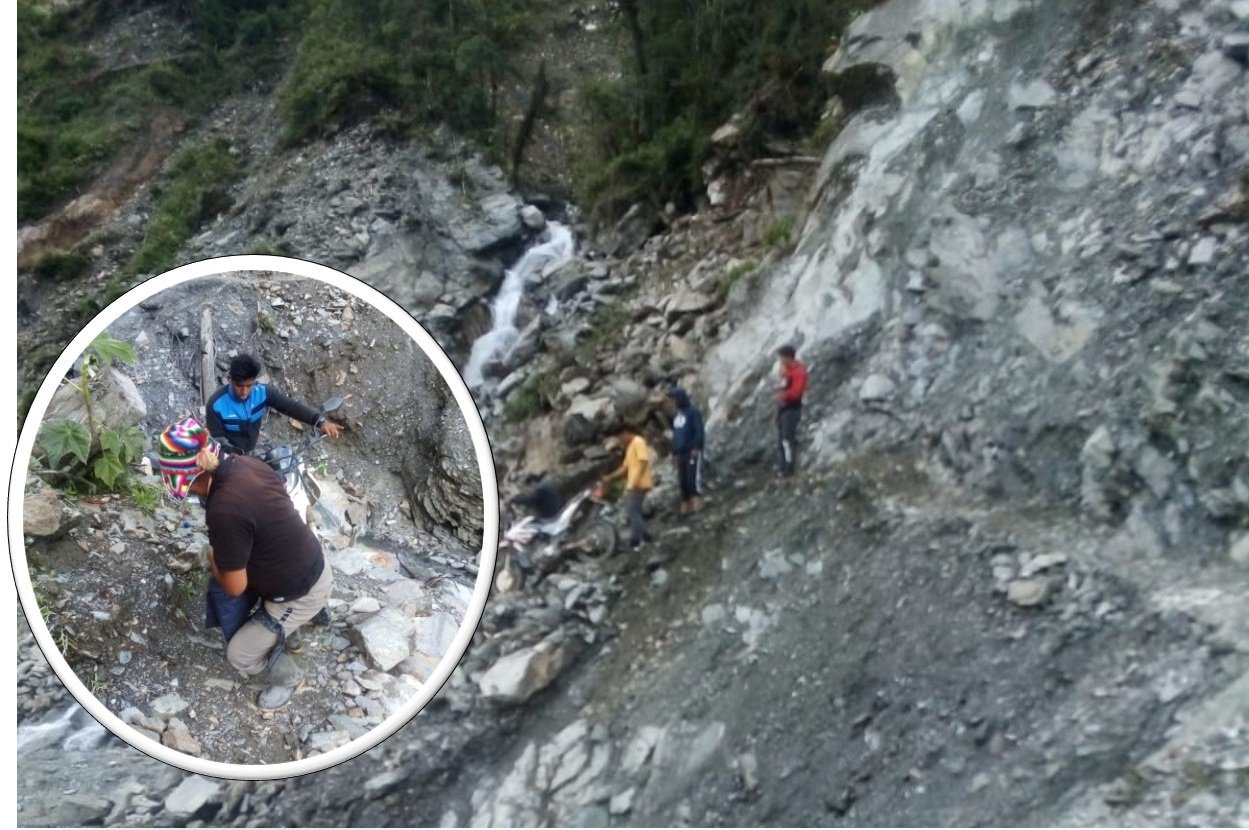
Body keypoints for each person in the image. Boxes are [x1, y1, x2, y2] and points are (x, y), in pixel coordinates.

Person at [157, 416, 333, 712]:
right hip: (309, 564)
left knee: (239, 655)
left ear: (194, 474)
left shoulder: (225, 509)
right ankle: (289, 632)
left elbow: (235, 587)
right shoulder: (245, 464)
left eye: (184, 485)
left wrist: (213, 559)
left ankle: (290, 678)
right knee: (250, 571)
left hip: (301, 590)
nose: (187, 492)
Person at [205, 353, 341, 455]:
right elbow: (218, 441)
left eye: (249, 385)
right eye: (239, 386)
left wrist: (320, 421)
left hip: (251, 452)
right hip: (229, 458)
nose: (244, 391)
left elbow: (291, 407)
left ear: (254, 381)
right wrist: (238, 459)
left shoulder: (263, 393)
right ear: (230, 379)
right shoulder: (216, 405)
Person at [600, 426, 654, 551]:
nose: (619, 441)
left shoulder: (638, 441)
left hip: (639, 483)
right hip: (634, 484)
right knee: (635, 511)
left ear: (625, 433)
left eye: (619, 438)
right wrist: (609, 477)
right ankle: (646, 536)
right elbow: (624, 468)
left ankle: (636, 541)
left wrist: (634, 481)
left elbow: (643, 462)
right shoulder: (630, 447)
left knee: (632, 511)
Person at [667, 385, 705, 517]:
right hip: (681, 453)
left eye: (673, 399)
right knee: (683, 481)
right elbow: (676, 436)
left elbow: (699, 431)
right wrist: (673, 453)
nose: (671, 402)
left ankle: (697, 509)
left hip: (691, 451)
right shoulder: (677, 416)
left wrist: (696, 447)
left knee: (692, 480)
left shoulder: (693, 413)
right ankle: (685, 510)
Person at [775, 344, 808, 478]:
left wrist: (784, 395)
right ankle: (782, 466)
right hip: (783, 408)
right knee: (782, 440)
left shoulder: (799, 372)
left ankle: (789, 468)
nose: (780, 361)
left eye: (782, 358)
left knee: (787, 439)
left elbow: (797, 392)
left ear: (788, 357)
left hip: (792, 408)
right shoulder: (785, 372)